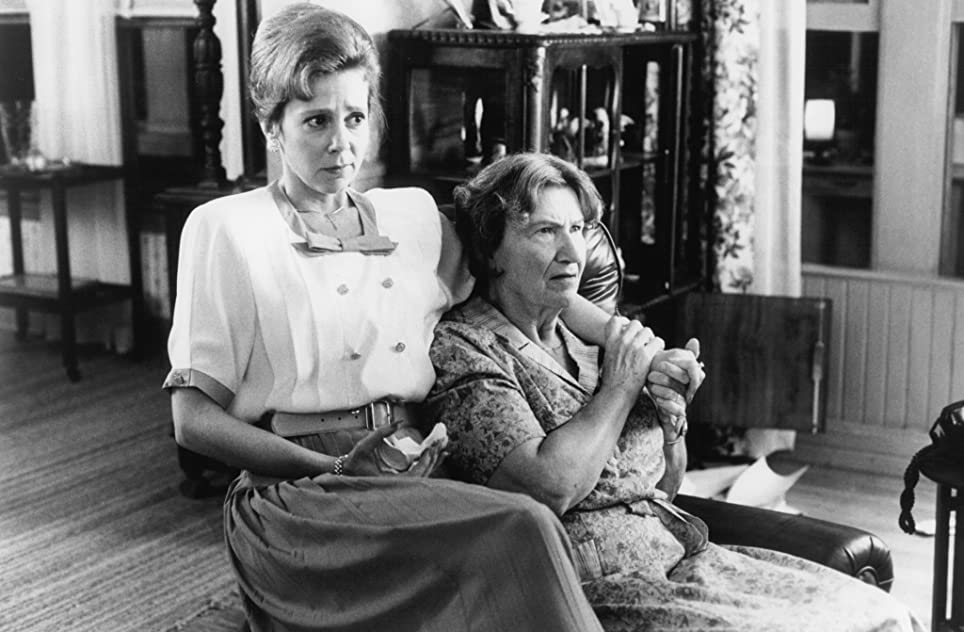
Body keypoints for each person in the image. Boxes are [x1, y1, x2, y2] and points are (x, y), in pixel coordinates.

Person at [161, 5, 653, 631]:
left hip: (417, 464)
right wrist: (336, 467)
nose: (341, 144)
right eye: (316, 120)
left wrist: (633, 346)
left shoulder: (414, 218)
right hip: (299, 493)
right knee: (523, 523)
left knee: (527, 528)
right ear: (271, 126)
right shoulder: (227, 228)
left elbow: (522, 273)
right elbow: (193, 422)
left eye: (355, 117)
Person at [424, 152, 926, 632]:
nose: (573, 253)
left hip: (682, 556)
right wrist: (621, 387)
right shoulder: (465, 350)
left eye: (577, 229)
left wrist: (671, 422)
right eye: (545, 231)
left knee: (884, 616)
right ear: (491, 250)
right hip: (595, 588)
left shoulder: (591, 337)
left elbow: (663, 488)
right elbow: (547, 488)